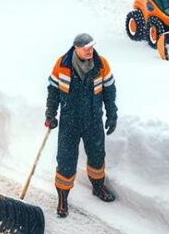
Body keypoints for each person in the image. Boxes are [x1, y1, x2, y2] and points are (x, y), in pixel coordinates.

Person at [45, 33, 118, 218]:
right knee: (66, 160)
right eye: (86, 47)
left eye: (92, 46)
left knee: (97, 155)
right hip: (70, 122)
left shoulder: (101, 64)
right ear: (76, 48)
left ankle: (98, 187)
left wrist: (112, 115)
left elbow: (109, 92)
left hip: (93, 120)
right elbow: (53, 91)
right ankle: (62, 199)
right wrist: (50, 113)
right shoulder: (62, 65)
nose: (90, 50)